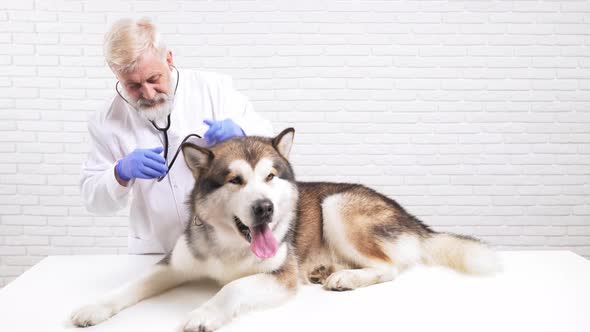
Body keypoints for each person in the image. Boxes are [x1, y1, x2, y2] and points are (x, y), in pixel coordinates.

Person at [80, 18, 273, 254]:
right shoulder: (106, 121)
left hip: (225, 245)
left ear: (169, 59)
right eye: (133, 86)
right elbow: (93, 201)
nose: (148, 93)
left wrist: (242, 134)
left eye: (154, 79)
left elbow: (271, 145)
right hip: (157, 250)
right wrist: (119, 172)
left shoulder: (214, 89)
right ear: (116, 74)